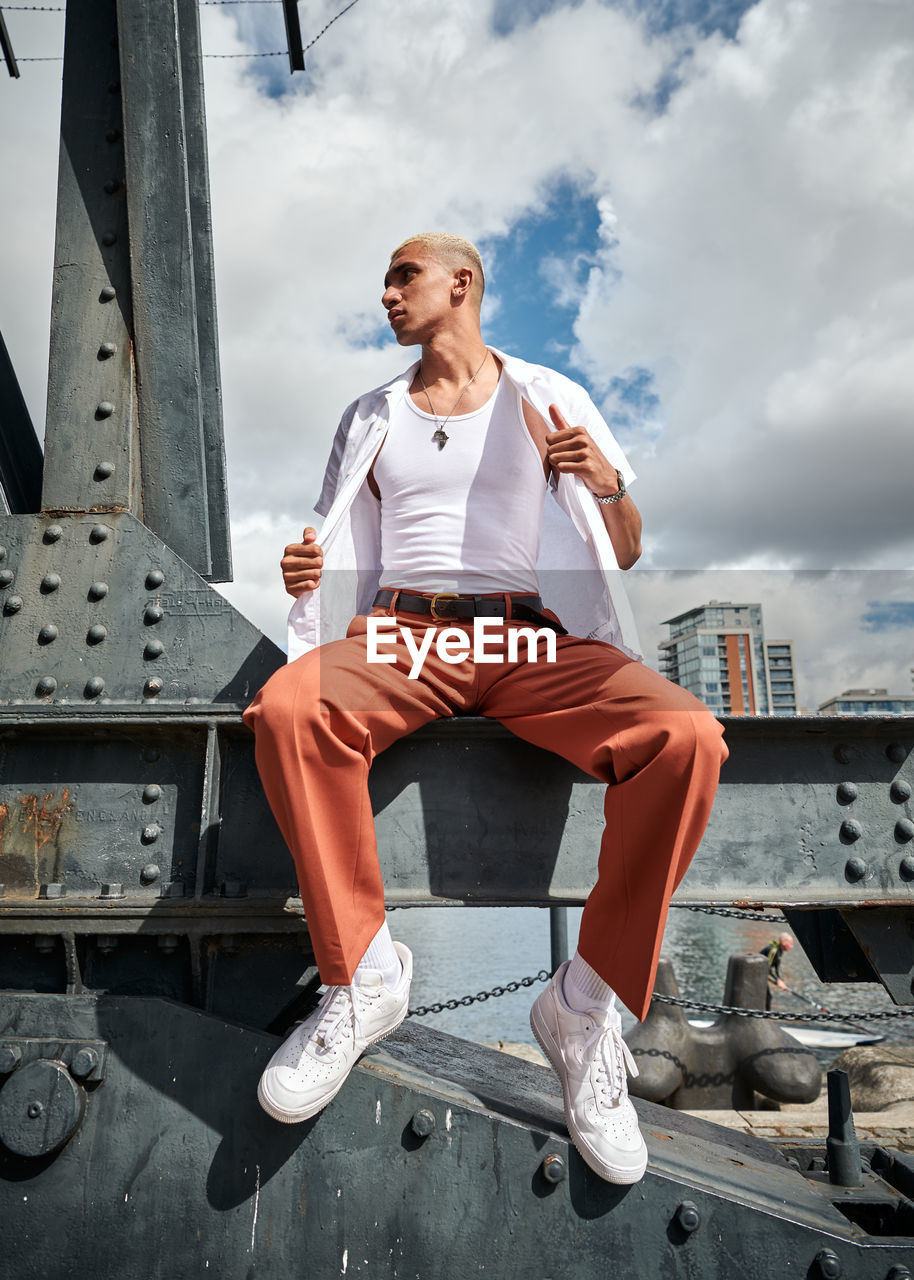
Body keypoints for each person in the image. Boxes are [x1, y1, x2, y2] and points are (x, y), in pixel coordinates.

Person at [243, 232, 728, 1186]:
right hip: (399, 635)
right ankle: (364, 976)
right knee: (290, 707)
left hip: (530, 637)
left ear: (460, 284)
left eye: (402, 276)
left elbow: (623, 547)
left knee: (685, 736)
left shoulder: (550, 395)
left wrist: (609, 483)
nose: (386, 295)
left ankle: (582, 1006)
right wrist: (308, 572)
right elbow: (345, 555)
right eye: (385, 278)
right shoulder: (370, 413)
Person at [761, 932, 794, 1008]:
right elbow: (767, 967)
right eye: (791, 943)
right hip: (757, 972)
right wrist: (777, 980)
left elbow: (776, 968)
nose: (792, 946)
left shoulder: (780, 950)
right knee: (768, 997)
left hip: (763, 972)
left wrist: (780, 980)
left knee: (767, 997)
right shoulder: (774, 950)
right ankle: (765, 1016)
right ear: (783, 942)